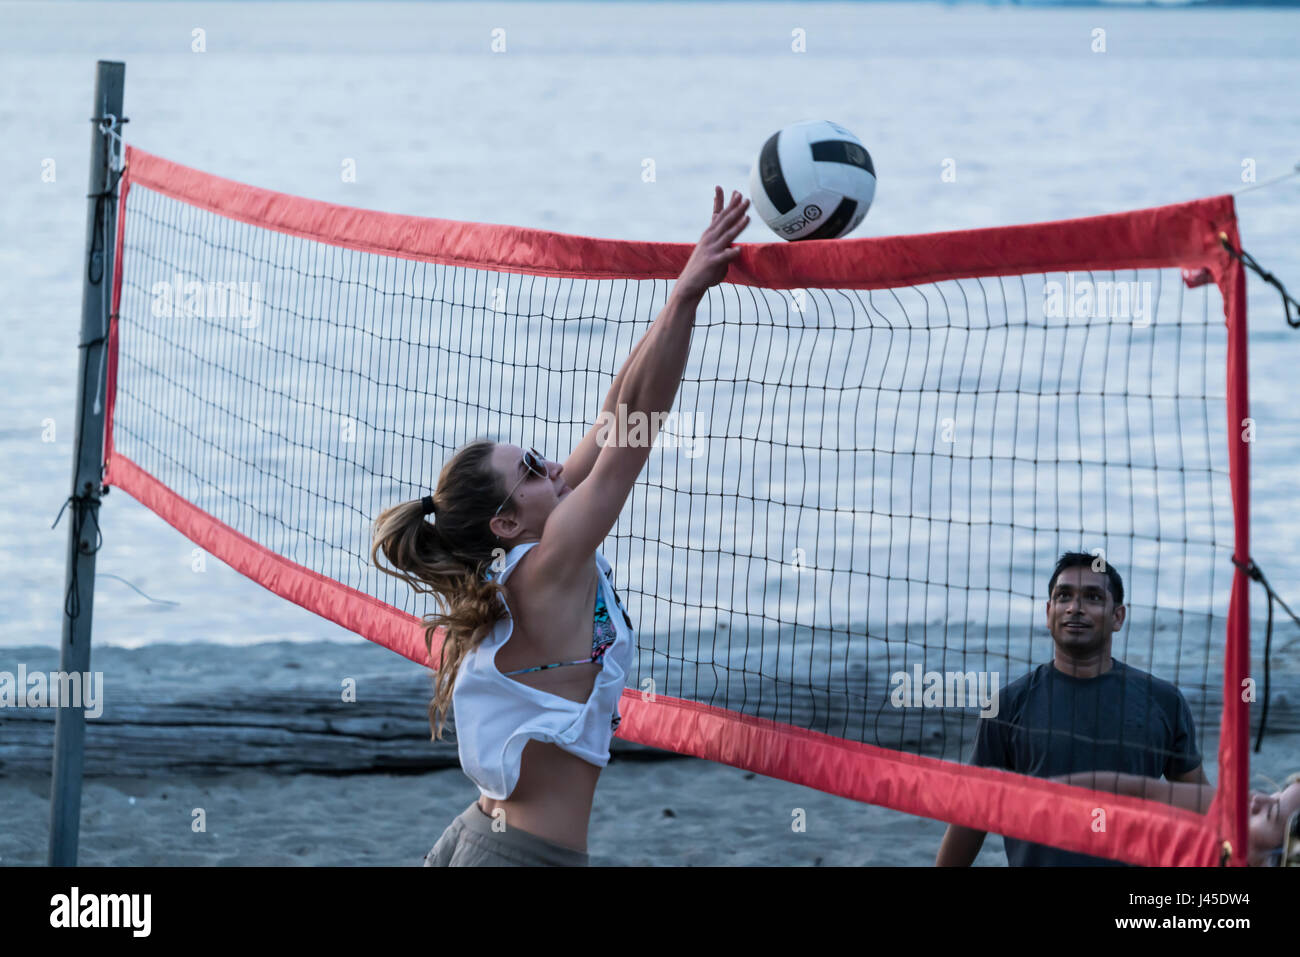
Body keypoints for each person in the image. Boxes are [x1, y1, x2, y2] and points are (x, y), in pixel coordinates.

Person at [371, 187, 751, 866]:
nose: (552, 465)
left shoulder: (530, 552)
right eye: (532, 468)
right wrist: (688, 296)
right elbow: (636, 432)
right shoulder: (552, 563)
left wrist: (678, 293)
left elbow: (615, 413)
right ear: (506, 520)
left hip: (480, 838)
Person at [936, 552, 1210, 866]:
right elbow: (973, 811)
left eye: (1093, 597)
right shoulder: (1006, 705)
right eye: (1064, 596)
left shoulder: (1163, 701)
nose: (1075, 608)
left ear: (1118, 617)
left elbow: (1202, 808)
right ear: (1049, 612)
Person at [1050, 770, 1300, 866]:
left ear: (1280, 858)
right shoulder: (1239, 808)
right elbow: (1141, 793)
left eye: (1270, 813)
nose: (1257, 800)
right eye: (1275, 793)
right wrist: (1038, 792)